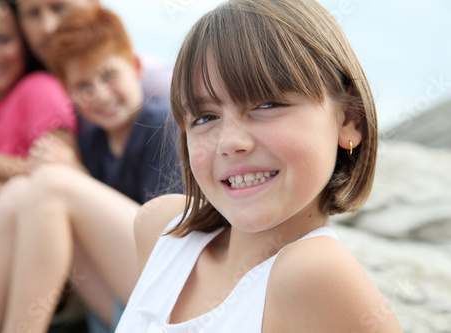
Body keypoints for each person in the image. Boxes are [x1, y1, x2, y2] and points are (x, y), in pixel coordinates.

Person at [114, 0, 403, 332]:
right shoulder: (162, 229)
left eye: (267, 104)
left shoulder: (315, 272)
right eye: (206, 117)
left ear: (349, 119)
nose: (229, 142)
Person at [0, 6, 180, 333]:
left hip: (170, 294)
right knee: (20, 191)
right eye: (83, 87)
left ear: (135, 67)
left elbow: (167, 239)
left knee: (52, 182)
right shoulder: (92, 138)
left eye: (108, 76)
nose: (101, 95)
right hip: (119, 300)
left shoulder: (159, 125)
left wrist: (74, 177)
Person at [0, 0, 77, 330]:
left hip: (14, 278)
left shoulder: (40, 90)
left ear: (22, 39)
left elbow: (63, 170)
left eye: (3, 39)